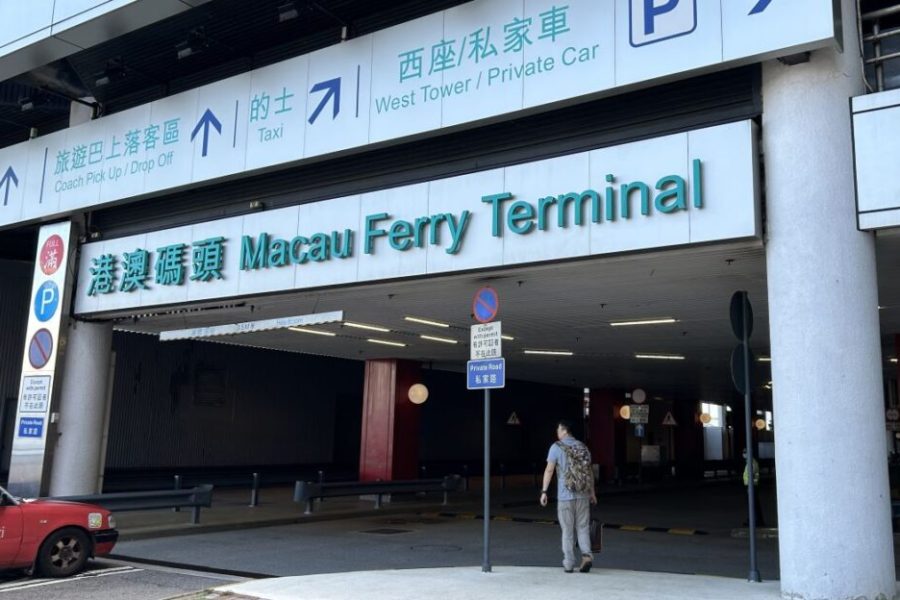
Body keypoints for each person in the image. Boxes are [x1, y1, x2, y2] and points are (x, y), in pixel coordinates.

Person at [540, 419, 597, 573]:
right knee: (583, 527)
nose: (557, 433)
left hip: (565, 496)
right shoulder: (583, 447)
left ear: (564, 431)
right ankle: (586, 556)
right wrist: (592, 492)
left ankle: (569, 563)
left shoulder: (556, 447)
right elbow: (589, 472)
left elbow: (549, 470)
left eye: (558, 430)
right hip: (583, 494)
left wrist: (544, 491)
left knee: (567, 530)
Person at [742, 448, 766, 527]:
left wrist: (749, 487)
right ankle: (755, 520)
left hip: (752, 486)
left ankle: (755, 521)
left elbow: (750, 475)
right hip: (752, 486)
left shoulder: (751, 463)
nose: (743, 454)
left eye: (745, 452)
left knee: (753, 505)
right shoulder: (751, 462)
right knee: (754, 504)